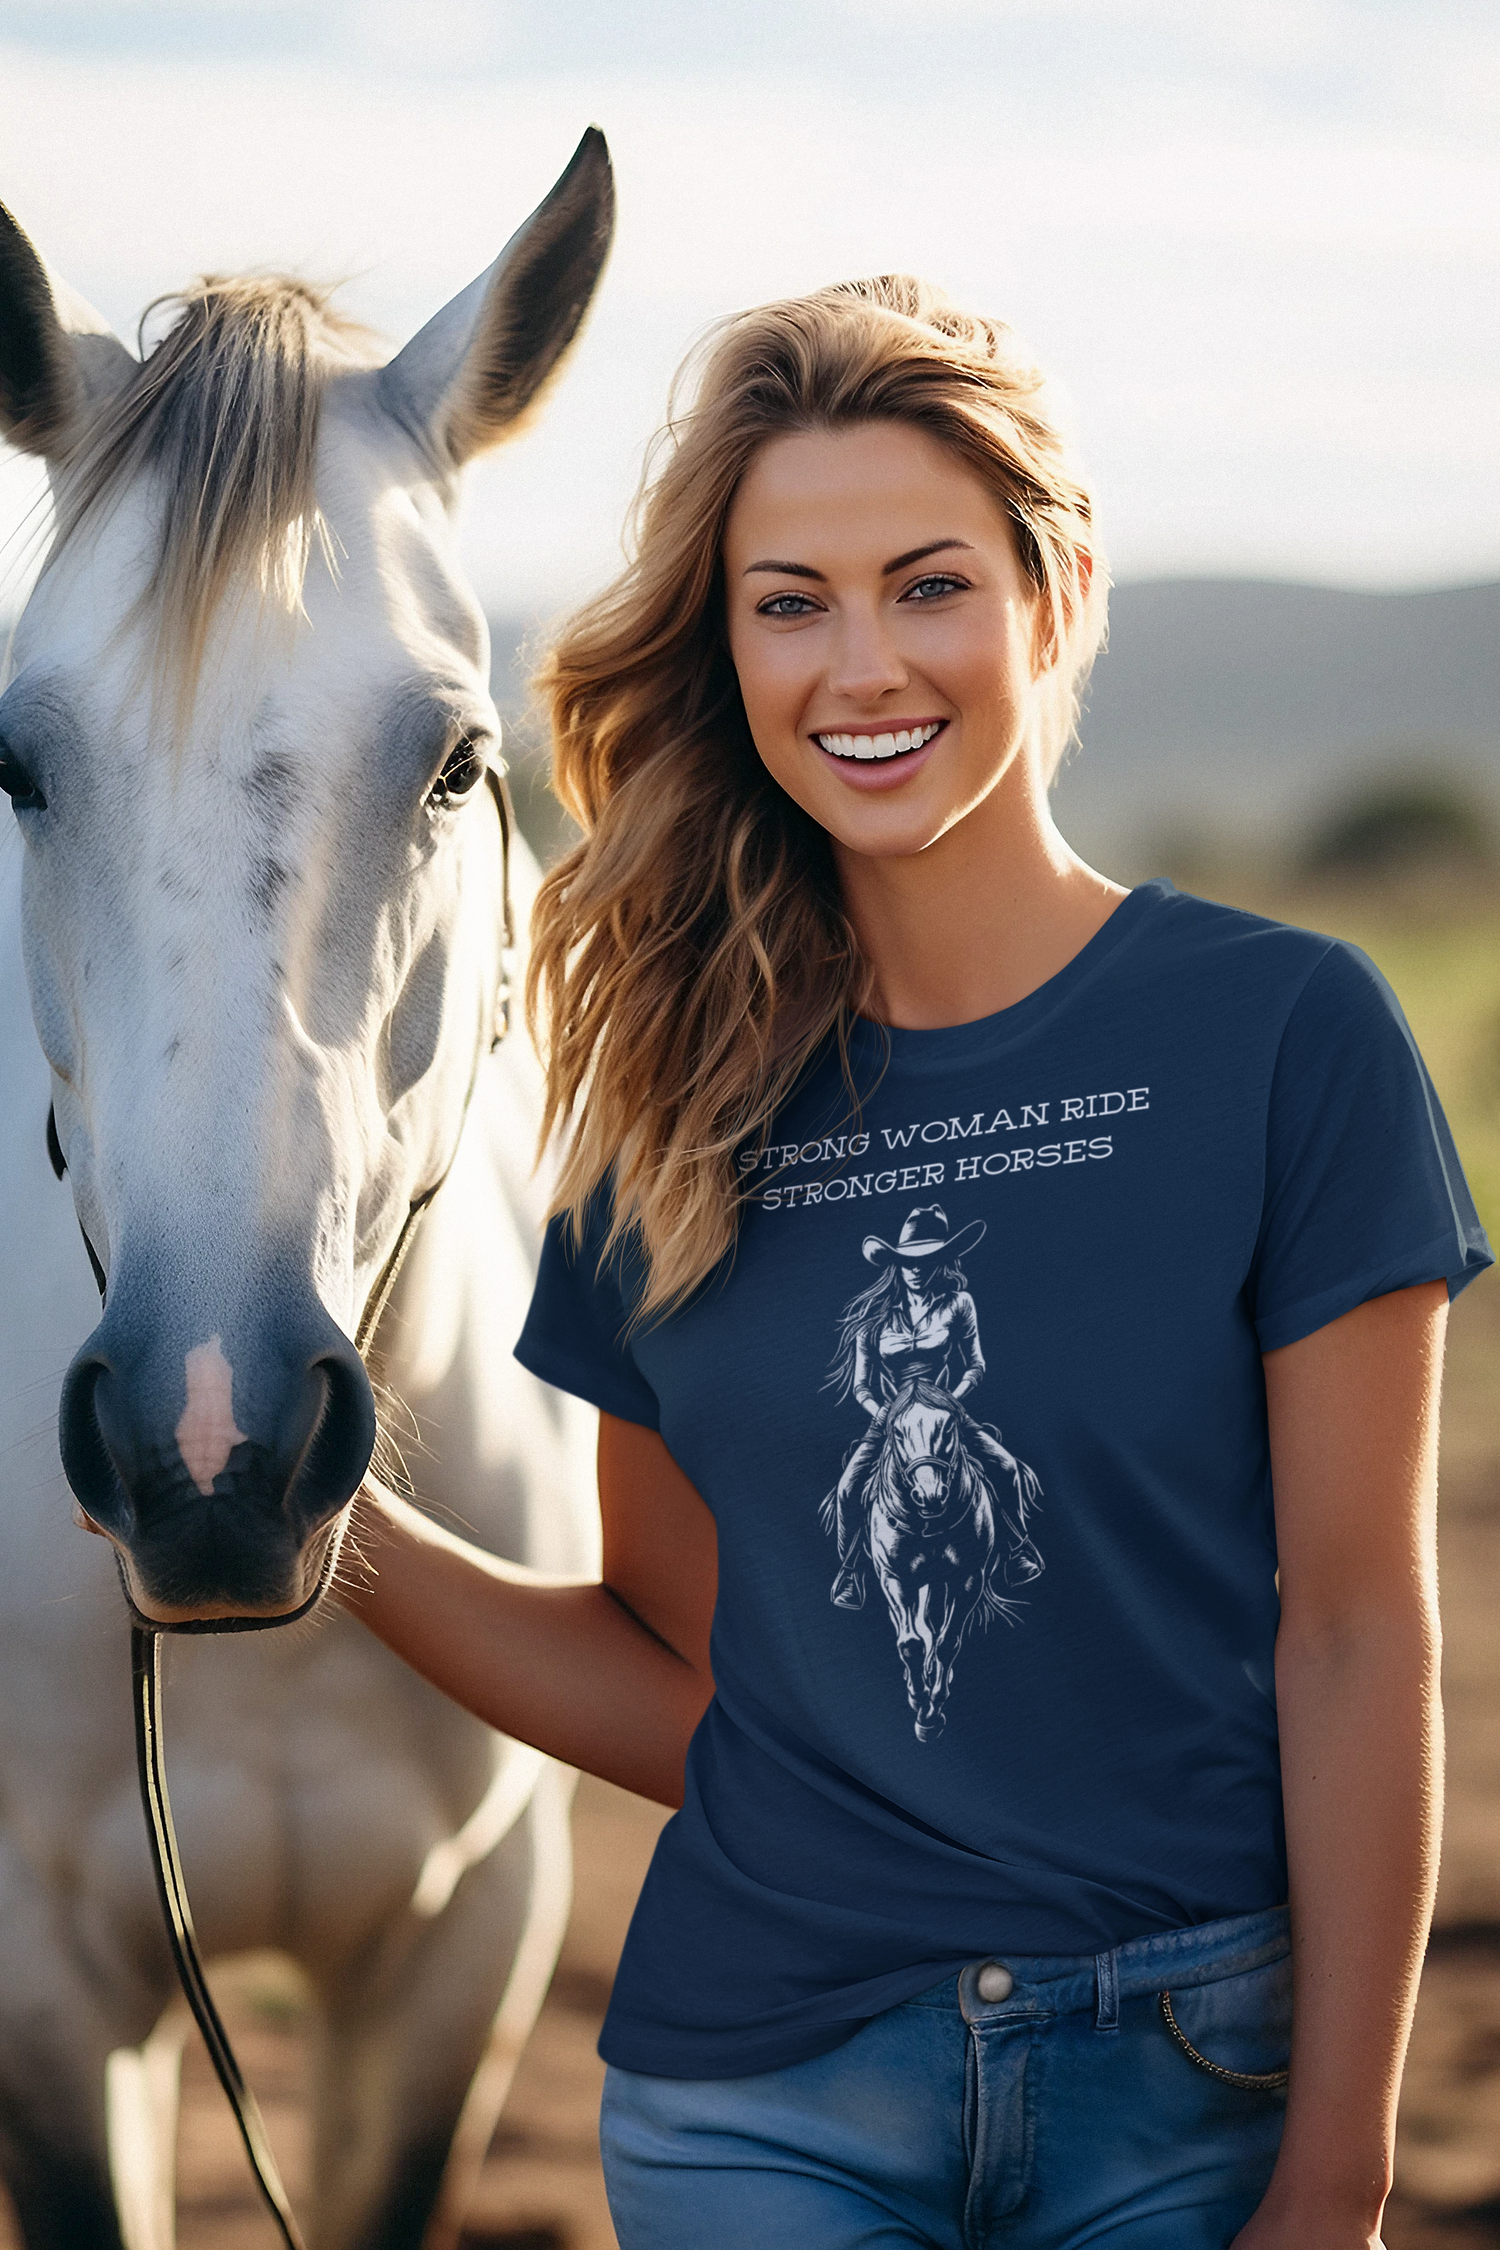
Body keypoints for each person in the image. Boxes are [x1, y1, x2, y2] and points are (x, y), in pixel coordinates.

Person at [345, 276, 1491, 2249]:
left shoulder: (1287, 1037)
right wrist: (325, 1528)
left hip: (1189, 2092)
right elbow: (684, 1689)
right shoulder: (663, 1111)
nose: (861, 665)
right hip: (755, 2107)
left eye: (929, 584)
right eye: (790, 602)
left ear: (1058, 593)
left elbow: (1357, 1633)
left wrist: (1341, 2171)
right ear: (725, 648)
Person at [823, 1203, 1044, 1611]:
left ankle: (1018, 1548)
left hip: (945, 1409)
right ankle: (850, 1571)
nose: (916, 1268)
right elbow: (861, 1387)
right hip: (889, 1415)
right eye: (908, 1260)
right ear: (896, 1262)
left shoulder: (959, 1303)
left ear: (942, 1261)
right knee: (848, 1488)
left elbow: (976, 1365)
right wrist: (882, 1414)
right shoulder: (873, 1321)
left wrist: (951, 1402)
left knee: (1005, 1467)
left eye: (926, 1260)